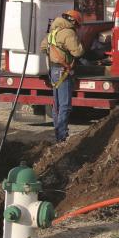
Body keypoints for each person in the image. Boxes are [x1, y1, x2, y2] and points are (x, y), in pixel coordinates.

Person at [40, 9, 85, 142]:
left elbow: (43, 47)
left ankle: (58, 133)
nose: (77, 26)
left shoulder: (53, 32)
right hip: (63, 71)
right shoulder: (68, 33)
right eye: (77, 24)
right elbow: (78, 52)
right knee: (65, 105)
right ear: (73, 22)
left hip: (54, 70)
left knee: (57, 105)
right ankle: (62, 135)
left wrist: (55, 53)